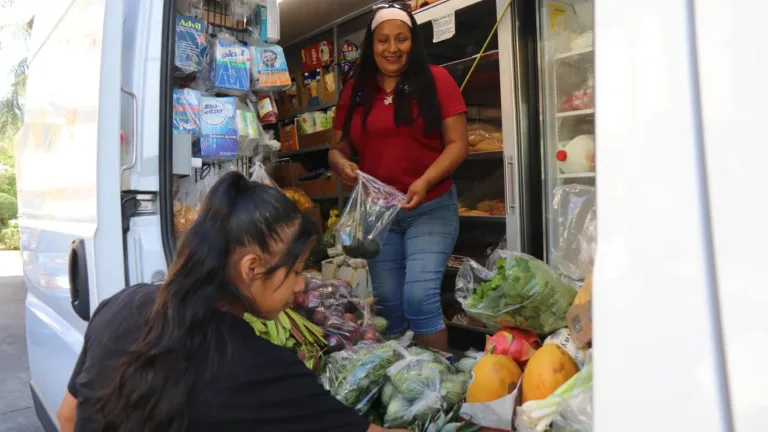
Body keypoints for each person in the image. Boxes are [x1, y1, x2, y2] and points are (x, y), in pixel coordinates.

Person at [56, 171, 406, 432]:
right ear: (252, 267)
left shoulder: (120, 306)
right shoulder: (258, 366)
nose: (301, 285)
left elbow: (68, 416)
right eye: (296, 270)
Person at [329, 2, 469, 351]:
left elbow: (458, 145)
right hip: (379, 216)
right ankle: (405, 385)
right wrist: (342, 164)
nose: (392, 48)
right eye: (383, 40)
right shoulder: (356, 90)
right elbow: (336, 149)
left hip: (430, 206)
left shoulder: (437, 80)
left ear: (413, 41)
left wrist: (423, 181)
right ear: (371, 44)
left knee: (420, 297)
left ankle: (439, 387)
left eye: (401, 39)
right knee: (389, 306)